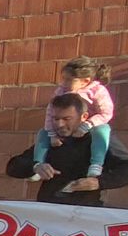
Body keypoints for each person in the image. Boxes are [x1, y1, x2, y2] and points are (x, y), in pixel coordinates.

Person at [5, 94, 128, 205]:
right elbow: (13, 166)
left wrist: (98, 182)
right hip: (48, 213)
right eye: (55, 119)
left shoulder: (97, 140)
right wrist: (36, 167)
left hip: (84, 213)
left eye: (66, 119)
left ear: (84, 117)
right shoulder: (51, 140)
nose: (59, 124)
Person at [28, 57, 115, 185]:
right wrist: (52, 134)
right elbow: (51, 112)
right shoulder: (61, 91)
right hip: (65, 131)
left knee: (103, 129)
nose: (64, 83)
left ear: (85, 81)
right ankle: (38, 165)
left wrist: (87, 125)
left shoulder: (97, 91)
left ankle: (96, 164)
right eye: (63, 79)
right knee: (43, 133)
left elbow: (106, 113)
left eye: (68, 80)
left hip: (91, 126)